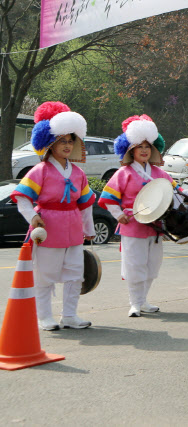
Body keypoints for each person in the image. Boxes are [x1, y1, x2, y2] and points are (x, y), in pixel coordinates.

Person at [100, 115, 188, 316]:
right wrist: (118, 214)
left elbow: (176, 189)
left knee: (152, 265)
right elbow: (108, 198)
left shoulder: (159, 173)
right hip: (133, 225)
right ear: (131, 150)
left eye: (148, 146)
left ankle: (143, 300)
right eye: (140, 147)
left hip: (156, 226)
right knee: (134, 265)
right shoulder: (123, 173)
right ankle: (134, 303)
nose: (144, 150)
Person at [11, 102, 96, 330]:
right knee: (45, 275)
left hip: (74, 228)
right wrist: (32, 217)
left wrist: (89, 230)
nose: (67, 145)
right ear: (50, 143)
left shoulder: (78, 173)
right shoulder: (39, 171)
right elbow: (22, 197)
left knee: (75, 274)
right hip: (48, 227)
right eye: (62, 141)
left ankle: (69, 316)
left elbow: (85, 204)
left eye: (71, 141)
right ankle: (44, 316)